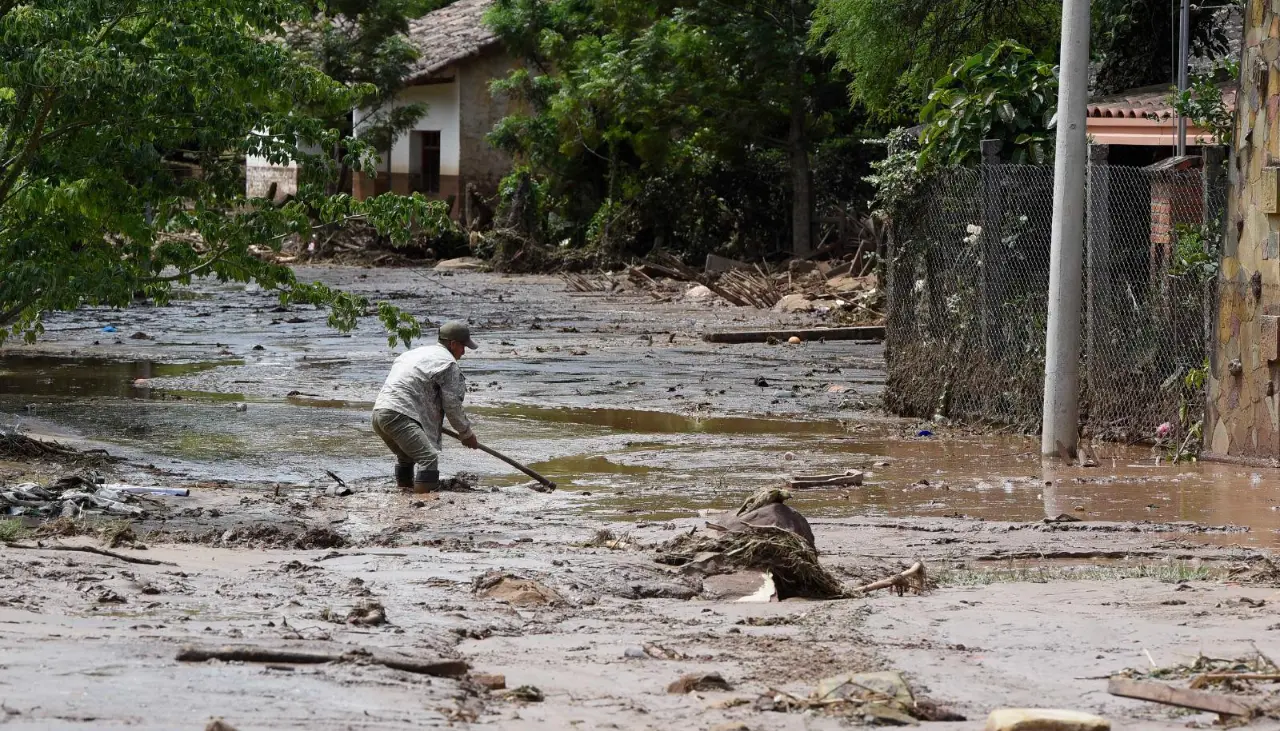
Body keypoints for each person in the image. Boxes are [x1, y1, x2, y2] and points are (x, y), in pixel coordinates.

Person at [372, 320, 480, 492]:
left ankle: (404, 498)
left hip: (379, 413)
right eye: (463, 346)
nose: (464, 352)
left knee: (406, 456)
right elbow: (452, 405)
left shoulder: (413, 354)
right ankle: (423, 506)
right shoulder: (448, 364)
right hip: (400, 415)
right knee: (428, 458)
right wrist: (466, 433)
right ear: (452, 344)